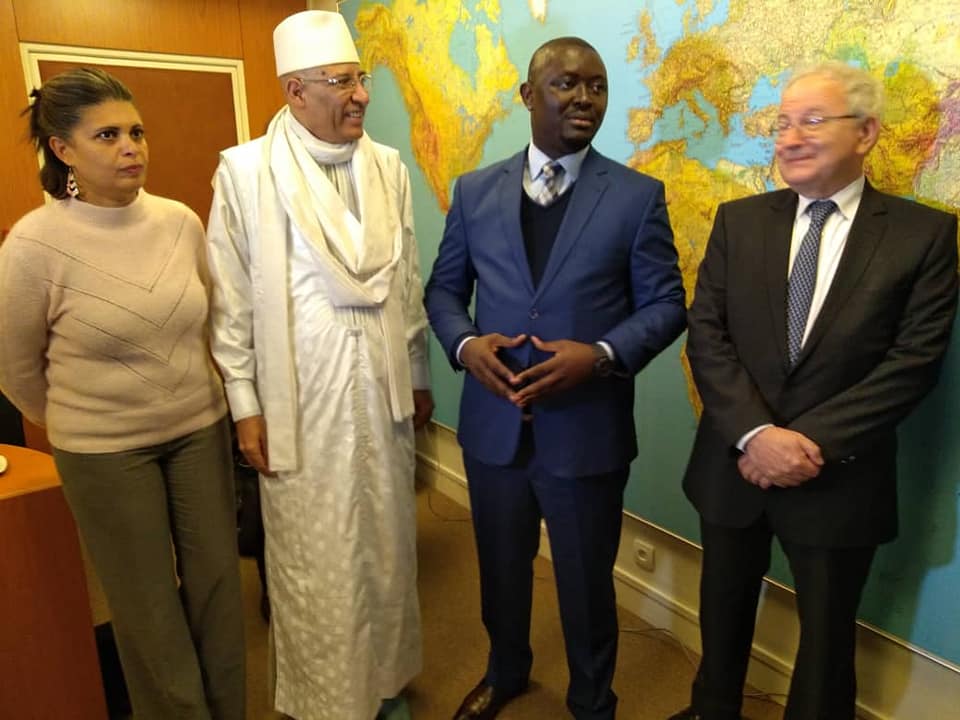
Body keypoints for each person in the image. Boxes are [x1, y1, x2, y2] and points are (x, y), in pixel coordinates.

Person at [671, 61, 959, 720]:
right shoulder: (739, 221)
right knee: (721, 618)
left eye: (811, 120)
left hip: (839, 475)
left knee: (828, 647)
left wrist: (802, 445)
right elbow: (707, 334)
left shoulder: (922, 236)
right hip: (732, 463)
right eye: (781, 124)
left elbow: (913, 363)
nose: (790, 138)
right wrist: (755, 436)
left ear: (866, 133)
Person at [425, 36, 686, 720]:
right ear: (527, 95)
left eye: (597, 86)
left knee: (587, 583)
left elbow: (666, 305)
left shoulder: (636, 197)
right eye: (566, 84)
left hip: (586, 431)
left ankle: (593, 701)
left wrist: (599, 354)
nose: (584, 98)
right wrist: (465, 345)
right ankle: (505, 671)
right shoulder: (475, 191)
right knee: (500, 570)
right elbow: (444, 292)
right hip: (494, 430)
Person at [204, 10, 433, 720]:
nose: (360, 94)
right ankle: (328, 699)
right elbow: (231, 299)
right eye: (340, 82)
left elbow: (406, 281)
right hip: (299, 401)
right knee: (318, 556)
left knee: (388, 547)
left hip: (382, 392)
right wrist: (245, 403)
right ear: (295, 91)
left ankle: (386, 683)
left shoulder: (387, 166)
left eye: (360, 79)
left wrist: (418, 373)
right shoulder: (246, 172)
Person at [0, 67, 245, 720]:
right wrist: (81, 423)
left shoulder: (178, 222)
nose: (130, 147)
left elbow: (212, 318)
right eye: (107, 135)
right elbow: (15, 366)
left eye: (136, 132)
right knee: (147, 607)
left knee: (220, 588)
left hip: (199, 431)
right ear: (63, 149)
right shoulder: (33, 246)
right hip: (105, 453)